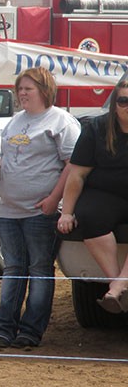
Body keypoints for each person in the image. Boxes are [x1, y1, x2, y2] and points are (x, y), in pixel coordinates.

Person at [0, 67, 80, 348]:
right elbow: (8, 158)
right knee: (13, 268)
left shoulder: (61, 121)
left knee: (39, 268)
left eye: (29, 88)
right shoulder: (15, 121)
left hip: (41, 211)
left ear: (44, 90)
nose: (22, 93)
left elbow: (73, 165)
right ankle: (4, 328)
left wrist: (54, 199)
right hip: (9, 210)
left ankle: (31, 330)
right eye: (20, 89)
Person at [57, 76, 128, 313]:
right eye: (124, 101)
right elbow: (77, 175)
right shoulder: (96, 128)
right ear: (114, 104)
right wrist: (66, 213)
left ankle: (118, 287)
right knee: (87, 216)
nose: (127, 106)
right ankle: (117, 284)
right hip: (105, 193)